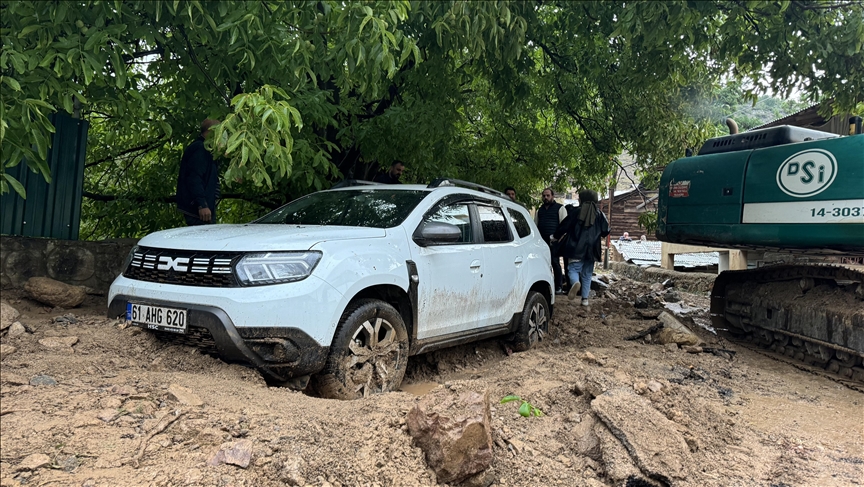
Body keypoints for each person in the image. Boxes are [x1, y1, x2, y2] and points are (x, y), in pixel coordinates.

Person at [552, 189, 610, 306]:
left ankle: (575, 283)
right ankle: (585, 300)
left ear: (582, 199)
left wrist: (555, 236)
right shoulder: (599, 214)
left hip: (576, 248)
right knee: (587, 274)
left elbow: (565, 226)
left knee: (573, 269)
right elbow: (606, 231)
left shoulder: (575, 212)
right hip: (592, 250)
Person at [177, 118, 220, 226]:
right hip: (198, 212)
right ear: (211, 131)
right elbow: (194, 178)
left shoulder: (206, 149)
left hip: (202, 209)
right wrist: (202, 205)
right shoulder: (200, 148)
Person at [534, 188, 568, 294]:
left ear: (552, 196)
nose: (546, 198)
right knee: (543, 263)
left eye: (548, 195)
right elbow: (535, 225)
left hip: (555, 242)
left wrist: (557, 238)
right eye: (544, 196)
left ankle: (558, 286)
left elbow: (565, 225)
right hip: (542, 242)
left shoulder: (560, 208)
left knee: (555, 263)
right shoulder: (540, 210)